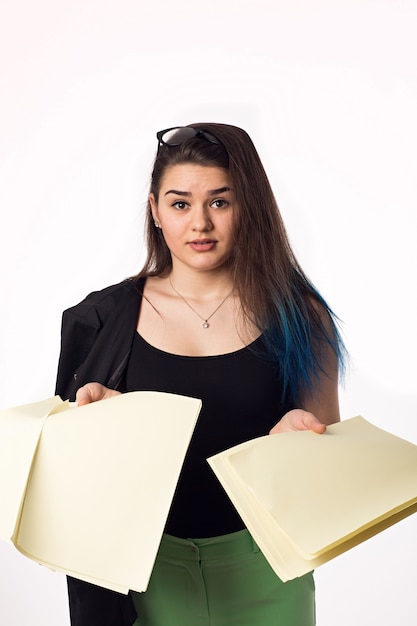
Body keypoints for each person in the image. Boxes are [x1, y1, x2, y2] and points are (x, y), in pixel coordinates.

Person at [55, 123, 346, 626]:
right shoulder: (98, 320)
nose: (200, 225)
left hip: (267, 573)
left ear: (247, 207)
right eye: (181, 204)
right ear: (155, 211)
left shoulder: (299, 316)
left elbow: (329, 469)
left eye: (220, 202)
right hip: (147, 577)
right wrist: (91, 427)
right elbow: (62, 487)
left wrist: (302, 439)